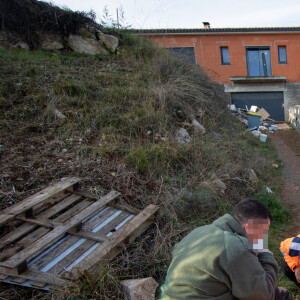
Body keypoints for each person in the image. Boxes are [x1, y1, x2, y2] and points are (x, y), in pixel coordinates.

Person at [160, 198, 291, 300]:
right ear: (249, 228)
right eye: (263, 232)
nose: (263, 238)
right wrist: (266, 255)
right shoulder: (237, 247)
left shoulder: (199, 232)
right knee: (280, 295)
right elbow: (264, 295)